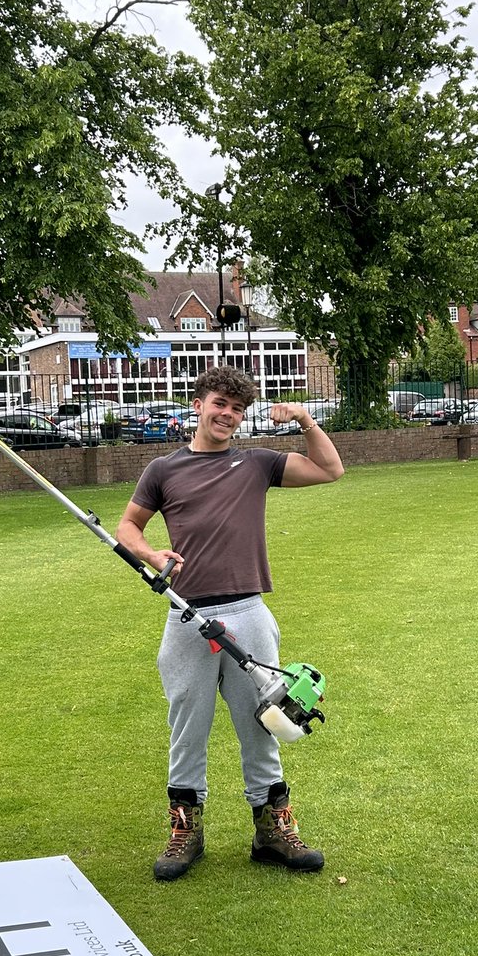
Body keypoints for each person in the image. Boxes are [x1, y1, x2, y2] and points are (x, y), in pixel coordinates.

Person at [116, 366, 345, 881]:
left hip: (249, 613)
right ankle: (185, 834)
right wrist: (151, 554)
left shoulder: (256, 462)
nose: (228, 415)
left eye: (239, 409)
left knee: (264, 723)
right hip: (186, 614)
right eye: (220, 403)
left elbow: (330, 470)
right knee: (187, 729)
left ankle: (272, 833)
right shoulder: (163, 469)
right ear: (198, 403)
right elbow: (127, 526)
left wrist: (306, 419)